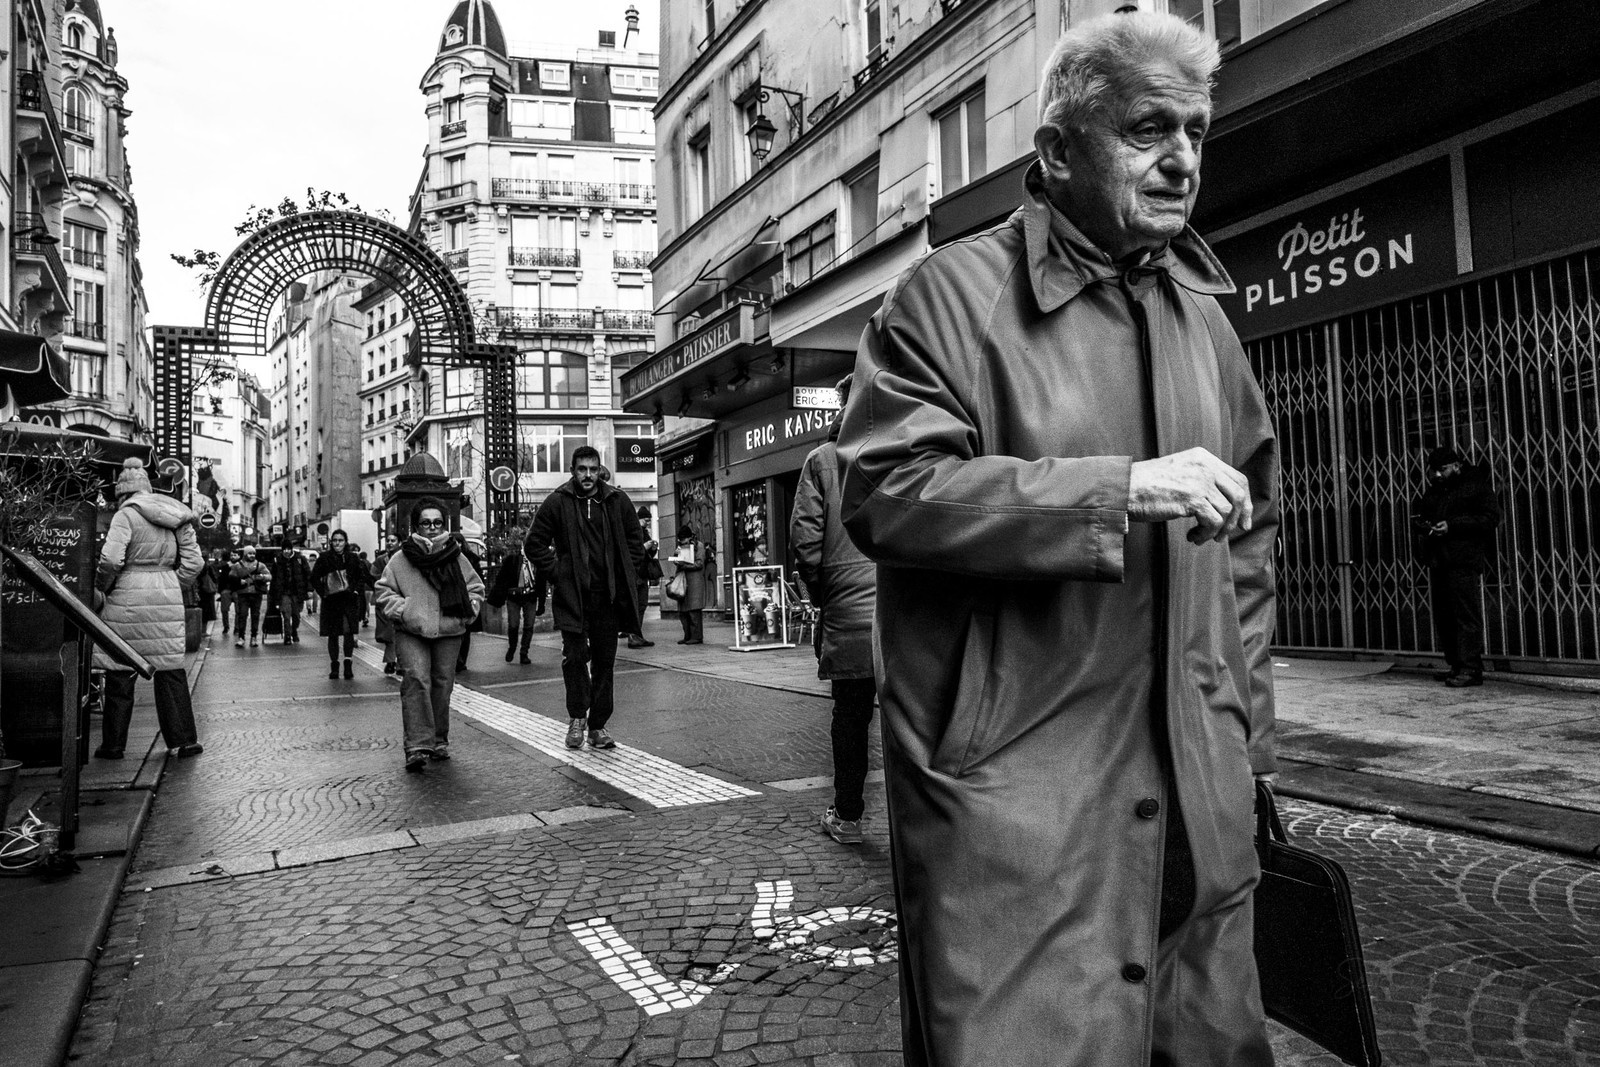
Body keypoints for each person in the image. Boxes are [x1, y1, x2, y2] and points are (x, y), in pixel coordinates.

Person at [834, 12, 1281, 1065]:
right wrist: (1114, 490)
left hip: (1198, 803)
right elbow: (887, 490)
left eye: (1196, 133)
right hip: (1021, 810)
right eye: (1146, 130)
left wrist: (1244, 740)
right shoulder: (946, 297)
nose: (1180, 161)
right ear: (1056, 151)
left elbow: (1250, 545)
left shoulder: (1204, 320)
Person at [790, 374, 878, 846]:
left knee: (851, 716)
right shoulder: (906, 450)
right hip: (910, 615)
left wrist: (826, 596)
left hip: (848, 611)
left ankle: (848, 817)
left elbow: (805, 542)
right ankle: (923, 825)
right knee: (916, 719)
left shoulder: (823, 461)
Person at [525, 446, 646, 751]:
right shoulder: (558, 501)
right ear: (573, 470)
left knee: (605, 662)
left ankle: (598, 726)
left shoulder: (617, 501)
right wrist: (559, 573)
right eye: (582, 469)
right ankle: (578, 718)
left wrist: (624, 572)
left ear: (600, 470)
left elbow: (636, 543)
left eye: (593, 469)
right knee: (575, 658)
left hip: (608, 598)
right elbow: (534, 543)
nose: (588, 475)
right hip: (574, 597)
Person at [93, 458, 205, 759]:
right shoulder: (176, 513)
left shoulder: (125, 516)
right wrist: (170, 581)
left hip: (127, 595)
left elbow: (110, 561)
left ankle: (113, 745)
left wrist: (102, 588)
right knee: (170, 670)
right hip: (166, 593)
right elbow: (195, 563)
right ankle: (183, 741)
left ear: (123, 493)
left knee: (120, 672)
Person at [374, 498, 485, 771]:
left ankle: (438, 740)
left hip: (449, 630)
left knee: (442, 684)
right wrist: (403, 611)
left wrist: (468, 611)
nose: (433, 528)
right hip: (411, 631)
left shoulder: (457, 556)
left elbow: (476, 588)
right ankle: (417, 746)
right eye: (426, 523)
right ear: (416, 526)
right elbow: (383, 590)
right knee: (416, 680)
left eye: (437, 522)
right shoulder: (400, 559)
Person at [1414, 445, 1502, 687]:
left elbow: (1490, 517)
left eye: (1442, 470)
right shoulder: (1436, 490)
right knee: (1445, 617)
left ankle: (1471, 668)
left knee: (1465, 615)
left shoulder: (1475, 485)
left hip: (1462, 560)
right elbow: (1424, 512)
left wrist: (1452, 526)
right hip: (1439, 559)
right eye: (1434, 471)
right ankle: (1456, 664)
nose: (1437, 475)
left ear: (1456, 465)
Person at [486, 531, 548, 664]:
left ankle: (524, 653)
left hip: (530, 597)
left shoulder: (538, 563)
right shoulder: (512, 560)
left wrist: (541, 604)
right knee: (513, 625)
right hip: (514, 596)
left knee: (529, 625)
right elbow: (501, 578)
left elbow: (542, 583)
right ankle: (512, 647)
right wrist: (499, 596)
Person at [312, 530, 366, 679]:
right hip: (331, 602)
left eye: (340, 540)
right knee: (333, 634)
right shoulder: (324, 558)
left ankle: (348, 664)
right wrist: (323, 592)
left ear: (345, 542)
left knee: (348, 632)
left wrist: (355, 590)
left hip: (348, 600)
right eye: (334, 540)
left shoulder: (353, 558)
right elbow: (314, 577)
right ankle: (334, 666)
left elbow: (361, 576)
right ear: (331, 542)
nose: (337, 543)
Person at [670, 524, 711, 645]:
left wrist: (685, 565)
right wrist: (675, 557)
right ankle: (687, 635)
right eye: (680, 539)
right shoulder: (681, 546)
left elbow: (699, 564)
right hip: (683, 581)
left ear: (689, 537)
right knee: (683, 612)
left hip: (694, 581)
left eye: (683, 539)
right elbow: (675, 559)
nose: (681, 541)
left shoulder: (699, 546)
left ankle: (696, 636)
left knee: (694, 611)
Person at [626, 506, 660, 649]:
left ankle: (636, 635)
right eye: (646, 520)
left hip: (642, 573)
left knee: (641, 605)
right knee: (636, 606)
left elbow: (646, 556)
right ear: (639, 519)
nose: (648, 523)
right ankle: (633, 636)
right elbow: (632, 553)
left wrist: (652, 550)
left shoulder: (645, 533)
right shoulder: (632, 533)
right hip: (635, 574)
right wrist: (645, 547)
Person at [229, 546, 271, 648]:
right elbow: (231, 577)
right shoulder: (237, 566)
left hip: (256, 593)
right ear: (245, 554)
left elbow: (269, 576)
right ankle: (241, 637)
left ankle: (253, 637)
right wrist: (239, 581)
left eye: (253, 553)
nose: (252, 555)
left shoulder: (260, 565)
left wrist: (263, 577)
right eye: (249, 553)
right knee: (242, 615)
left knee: (255, 616)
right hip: (243, 593)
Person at [455, 532, 485, 672]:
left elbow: (478, 581)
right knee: (457, 631)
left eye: (458, 542)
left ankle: (461, 661)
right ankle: (457, 660)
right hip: (454, 599)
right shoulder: (447, 558)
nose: (457, 545)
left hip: (466, 599)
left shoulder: (471, 560)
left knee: (465, 632)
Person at [272, 547, 311, 645]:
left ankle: (294, 630)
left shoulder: (300, 559)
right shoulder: (278, 560)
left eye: (288, 549)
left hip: (297, 592)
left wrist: (309, 589)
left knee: (296, 615)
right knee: (286, 615)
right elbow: (274, 579)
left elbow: (308, 575)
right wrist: (273, 594)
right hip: (284, 593)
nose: (286, 551)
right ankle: (287, 636)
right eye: (284, 549)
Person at [372, 539, 399, 675]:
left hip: (401, 598)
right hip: (384, 600)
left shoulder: (404, 557)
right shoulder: (380, 560)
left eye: (393, 540)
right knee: (389, 633)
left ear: (399, 542)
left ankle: (396, 663)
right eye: (388, 540)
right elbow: (372, 575)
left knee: (400, 632)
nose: (390, 543)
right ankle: (390, 662)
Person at [212, 551, 237, 633]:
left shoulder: (225, 566)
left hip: (229, 589)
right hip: (233, 589)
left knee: (226, 610)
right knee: (235, 610)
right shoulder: (228, 566)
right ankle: (234, 627)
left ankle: (228, 626)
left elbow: (221, 578)